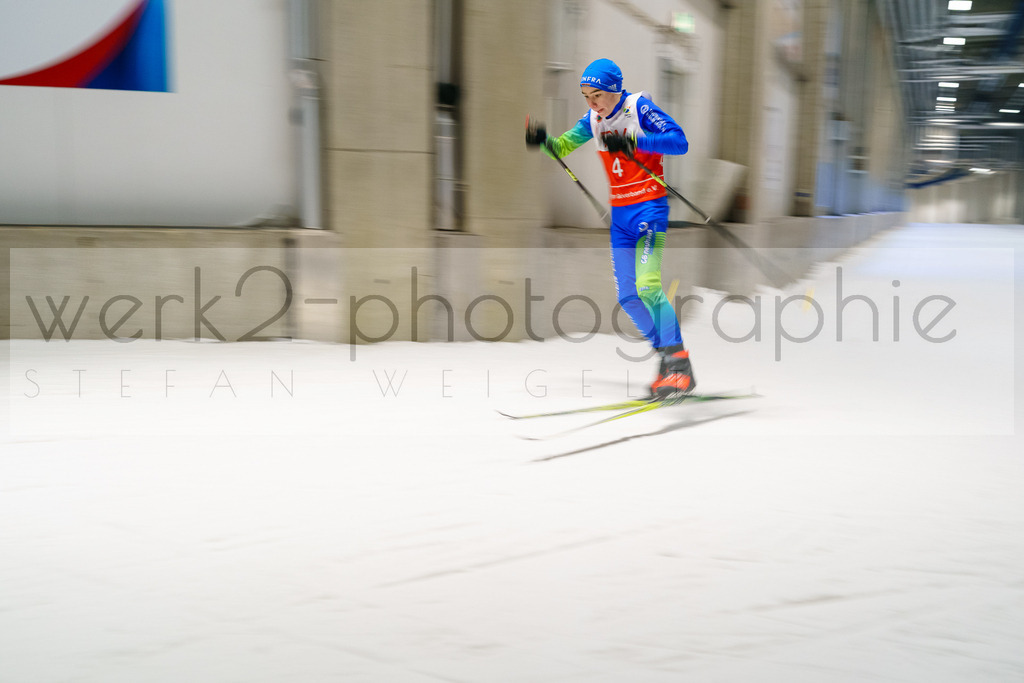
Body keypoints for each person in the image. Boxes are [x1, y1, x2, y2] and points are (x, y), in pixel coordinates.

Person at [525, 58, 695, 398]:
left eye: (597, 95)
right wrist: (543, 140)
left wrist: (635, 143)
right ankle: (667, 360)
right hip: (621, 218)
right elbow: (562, 147)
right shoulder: (593, 119)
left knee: (649, 286)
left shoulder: (638, 107)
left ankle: (681, 367)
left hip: (649, 209)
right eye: (586, 96)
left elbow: (679, 141)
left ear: (615, 91)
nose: (592, 103)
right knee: (629, 297)